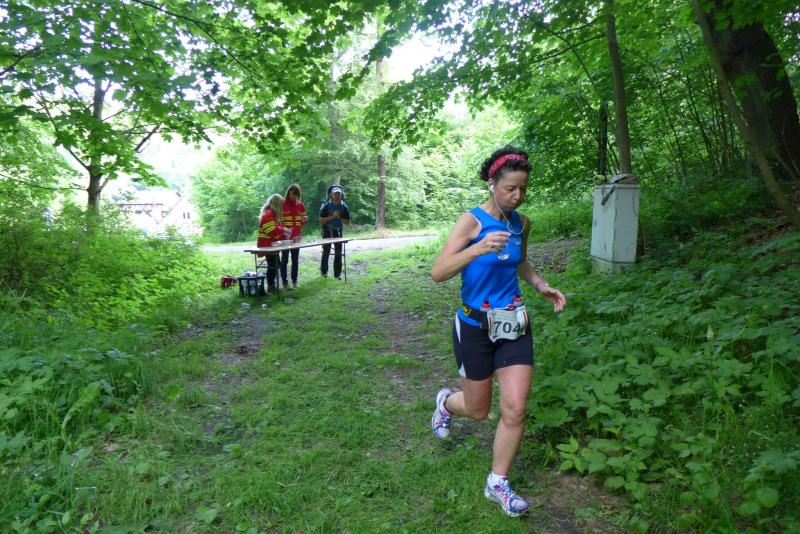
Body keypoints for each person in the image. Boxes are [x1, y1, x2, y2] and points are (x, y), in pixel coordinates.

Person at [429, 146, 566, 517]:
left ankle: (498, 482)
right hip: (474, 325)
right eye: (510, 189)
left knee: (515, 408)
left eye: (523, 189)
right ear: (492, 184)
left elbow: (520, 261)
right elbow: (438, 272)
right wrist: (476, 250)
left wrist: (539, 285)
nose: (517, 196)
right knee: (477, 410)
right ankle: (446, 403)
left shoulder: (521, 223)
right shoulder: (471, 222)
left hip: (513, 323)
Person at [256, 194, 291, 291]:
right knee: (273, 265)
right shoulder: (267, 214)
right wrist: (283, 230)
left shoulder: (272, 214)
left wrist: (284, 232)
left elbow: (276, 229)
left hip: (271, 245)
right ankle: (270, 285)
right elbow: (271, 230)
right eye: (281, 206)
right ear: (276, 205)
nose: (282, 208)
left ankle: (271, 284)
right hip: (266, 245)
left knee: (275, 264)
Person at [319, 184, 350, 279]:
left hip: (338, 231)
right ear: (331, 195)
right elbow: (321, 220)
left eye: (339, 194)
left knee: (338, 253)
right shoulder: (326, 206)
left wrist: (339, 217)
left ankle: (337, 275)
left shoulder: (344, 207)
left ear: (341, 195)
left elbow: (347, 222)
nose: (337, 196)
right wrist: (333, 217)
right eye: (335, 194)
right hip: (327, 231)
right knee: (326, 252)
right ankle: (324, 273)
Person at [280, 183, 308, 289]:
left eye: (296, 195)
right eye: (293, 194)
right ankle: (284, 282)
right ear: (288, 193)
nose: (294, 197)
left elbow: (302, 221)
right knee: (284, 259)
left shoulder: (300, 205)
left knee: (295, 260)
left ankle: (295, 281)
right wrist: (283, 230)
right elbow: (278, 221)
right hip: (285, 238)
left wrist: (304, 220)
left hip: (296, 237)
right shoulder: (282, 204)